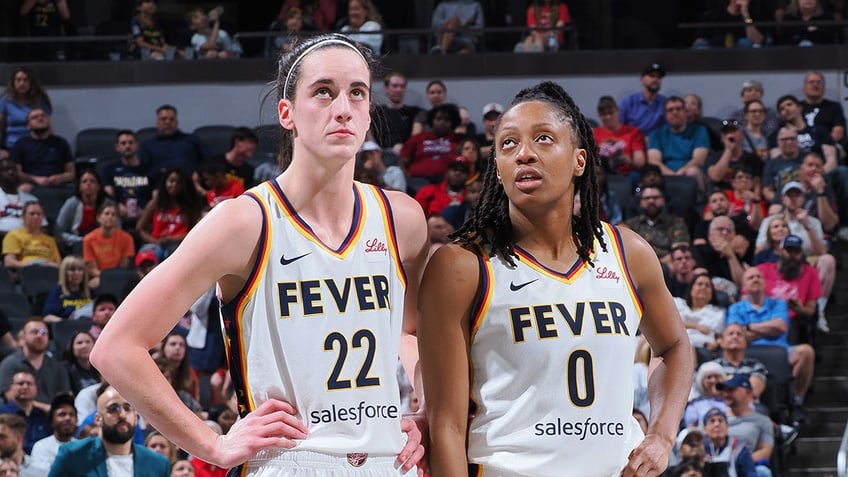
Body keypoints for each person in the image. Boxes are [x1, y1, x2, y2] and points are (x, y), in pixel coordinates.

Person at [91, 33, 427, 474]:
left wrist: (424, 409)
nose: (342, 107)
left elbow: (413, 331)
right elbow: (116, 348)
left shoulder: (402, 218)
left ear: (367, 115)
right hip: (289, 461)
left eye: (357, 93)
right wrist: (212, 444)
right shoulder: (243, 222)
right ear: (286, 113)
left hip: (387, 462)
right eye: (323, 91)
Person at [418, 81, 692, 476]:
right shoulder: (461, 265)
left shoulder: (628, 252)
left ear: (580, 160)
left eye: (543, 139)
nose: (524, 153)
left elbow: (675, 346)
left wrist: (662, 436)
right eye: (508, 144)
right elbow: (445, 425)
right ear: (496, 165)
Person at [726, 267, 815, 411]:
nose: (755, 279)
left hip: (781, 350)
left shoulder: (778, 303)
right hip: (746, 353)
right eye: (751, 277)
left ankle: (795, 399)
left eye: (758, 277)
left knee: (806, 352)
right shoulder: (735, 308)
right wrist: (769, 330)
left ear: (765, 283)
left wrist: (749, 327)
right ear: (744, 286)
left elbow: (781, 327)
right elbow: (736, 333)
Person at [48, 383, 171, 477]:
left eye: (127, 408)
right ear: (98, 419)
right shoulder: (73, 455)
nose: (122, 414)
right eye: (113, 409)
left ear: (136, 418)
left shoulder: (158, 464)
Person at [0, 317, 71, 410]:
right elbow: (9, 397)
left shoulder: (58, 367)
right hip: (20, 415)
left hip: (52, 419)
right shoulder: (9, 364)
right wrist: (45, 408)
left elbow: (64, 397)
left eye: (43, 332)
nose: (39, 335)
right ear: (23, 337)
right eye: (34, 332)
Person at [135, 168, 205, 262]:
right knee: (146, 257)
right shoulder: (156, 203)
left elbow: (196, 231)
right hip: (156, 243)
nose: (174, 185)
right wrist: (155, 241)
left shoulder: (191, 205)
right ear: (165, 182)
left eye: (178, 182)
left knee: (173, 256)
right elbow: (140, 228)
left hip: (181, 243)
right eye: (171, 181)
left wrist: (173, 239)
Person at [715, 375, 774, 477]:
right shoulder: (716, 419)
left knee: (763, 472)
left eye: (731, 390)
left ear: (748, 392)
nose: (725, 394)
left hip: (747, 467)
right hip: (717, 465)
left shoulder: (762, 421)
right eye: (724, 390)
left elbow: (765, 451)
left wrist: (739, 461)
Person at [647, 96, 710, 189]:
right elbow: (654, 161)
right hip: (666, 174)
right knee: (652, 176)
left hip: (690, 173)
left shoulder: (699, 131)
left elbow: (699, 159)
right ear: (666, 115)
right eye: (670, 110)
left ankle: (701, 200)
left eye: (678, 109)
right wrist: (671, 174)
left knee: (692, 171)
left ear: (685, 112)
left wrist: (681, 172)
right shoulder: (656, 134)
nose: (675, 112)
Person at [9, 109, 74, 191]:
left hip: (58, 185)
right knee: (22, 189)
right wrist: (34, 179)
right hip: (31, 184)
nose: (40, 118)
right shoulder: (21, 144)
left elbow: (71, 173)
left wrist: (60, 178)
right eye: (35, 117)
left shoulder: (61, 142)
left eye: (43, 116)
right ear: (29, 125)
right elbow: (16, 173)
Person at [139, 106, 208, 182]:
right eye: (163, 119)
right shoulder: (148, 145)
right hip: (160, 185)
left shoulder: (192, 140)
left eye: (171, 119)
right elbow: (142, 171)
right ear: (157, 123)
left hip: (189, 184)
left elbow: (209, 161)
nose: (168, 122)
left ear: (177, 122)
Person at [623, 185, 690, 263]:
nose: (651, 201)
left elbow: (679, 252)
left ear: (663, 200)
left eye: (655, 198)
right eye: (647, 198)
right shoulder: (631, 225)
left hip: (670, 268)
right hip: (638, 266)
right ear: (641, 202)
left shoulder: (676, 222)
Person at [101, 130, 152, 231]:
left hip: (145, 215)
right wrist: (117, 207)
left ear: (137, 145)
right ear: (117, 147)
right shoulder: (110, 169)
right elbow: (108, 194)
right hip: (119, 215)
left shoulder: (150, 168)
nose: (127, 146)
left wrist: (146, 211)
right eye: (123, 143)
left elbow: (156, 196)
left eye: (131, 143)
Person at [0, 67, 53, 158]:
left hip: (35, 145)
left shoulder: (39, 101)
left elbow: (47, 126)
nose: (22, 83)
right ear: (13, 82)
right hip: (12, 145)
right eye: (18, 80)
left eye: (25, 80)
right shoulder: (5, 101)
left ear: (31, 83)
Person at [593, 95, 646, 183]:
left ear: (617, 111)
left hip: (627, 173)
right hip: (602, 174)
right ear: (599, 115)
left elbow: (640, 163)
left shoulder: (633, 132)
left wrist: (626, 159)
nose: (608, 117)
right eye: (604, 114)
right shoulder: (594, 134)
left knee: (635, 177)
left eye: (611, 113)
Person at [83, 203, 135, 290]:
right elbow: (92, 269)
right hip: (99, 276)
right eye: (107, 213)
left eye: (113, 214)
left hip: (119, 276)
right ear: (98, 218)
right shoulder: (88, 239)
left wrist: (111, 278)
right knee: (94, 284)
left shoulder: (127, 238)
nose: (110, 217)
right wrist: (107, 278)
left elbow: (123, 267)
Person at [55, 170, 110, 253]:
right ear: (79, 187)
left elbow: (116, 230)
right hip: (77, 245)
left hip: (102, 245)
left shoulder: (108, 204)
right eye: (84, 181)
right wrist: (83, 240)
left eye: (92, 181)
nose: (88, 184)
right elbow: (58, 231)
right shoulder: (72, 203)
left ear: (98, 186)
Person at [0, 370, 50, 455]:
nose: (25, 386)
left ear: (36, 389)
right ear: (11, 388)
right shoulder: (2, 414)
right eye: (20, 383)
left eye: (29, 384)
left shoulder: (43, 416)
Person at [371, 72, 422, 153]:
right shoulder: (376, 112)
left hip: (406, 154)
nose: (399, 90)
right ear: (386, 89)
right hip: (380, 154)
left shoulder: (414, 112)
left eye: (402, 86)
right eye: (395, 86)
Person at [674, 272, 725, 352]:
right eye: (700, 284)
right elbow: (667, 324)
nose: (703, 287)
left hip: (701, 348)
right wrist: (695, 326)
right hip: (674, 341)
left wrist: (716, 344)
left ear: (712, 293)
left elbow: (719, 337)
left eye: (707, 285)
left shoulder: (718, 313)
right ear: (691, 288)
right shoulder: (677, 303)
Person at [701, 407, 758, 477]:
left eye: (720, 420)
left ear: (727, 427)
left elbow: (750, 474)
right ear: (705, 429)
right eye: (712, 421)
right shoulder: (699, 449)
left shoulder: (739, 448)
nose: (717, 424)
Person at [691, 0, 767, 48]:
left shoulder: (751, 17)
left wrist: (746, 15)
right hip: (715, 51)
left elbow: (757, 41)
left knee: (744, 42)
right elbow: (699, 40)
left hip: (740, 55)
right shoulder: (714, 14)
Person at [202, 127, 258, 192]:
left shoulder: (249, 170)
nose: (253, 146)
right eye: (250, 142)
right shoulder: (214, 163)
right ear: (238, 142)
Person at [619, 63, 667, 137]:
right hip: (633, 142)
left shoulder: (665, 103)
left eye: (659, 77)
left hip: (657, 143)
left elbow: (668, 130)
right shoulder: (628, 102)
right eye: (652, 76)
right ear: (642, 80)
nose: (655, 79)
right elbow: (619, 128)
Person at [41, 255, 92, 323]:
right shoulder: (57, 291)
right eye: (72, 270)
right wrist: (67, 323)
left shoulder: (90, 291)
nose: (77, 273)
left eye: (80, 270)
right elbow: (47, 317)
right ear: (64, 272)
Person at [0, 158, 39, 237]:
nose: (11, 172)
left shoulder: (32, 200)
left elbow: (42, 227)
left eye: (14, 169)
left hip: (28, 242)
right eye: (6, 170)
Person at [62, 331, 100, 395]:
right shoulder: (64, 369)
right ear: (72, 347)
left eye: (88, 342)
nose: (84, 346)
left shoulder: (100, 368)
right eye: (79, 343)